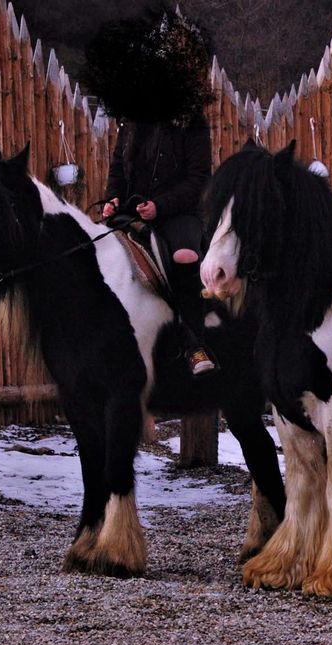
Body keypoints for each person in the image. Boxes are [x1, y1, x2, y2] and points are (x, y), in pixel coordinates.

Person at [82, 8, 218, 376]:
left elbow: (197, 178)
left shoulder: (192, 119)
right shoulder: (131, 116)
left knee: (186, 258)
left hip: (178, 215)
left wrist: (160, 206)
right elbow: (117, 166)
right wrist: (112, 197)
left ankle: (195, 345)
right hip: (129, 210)